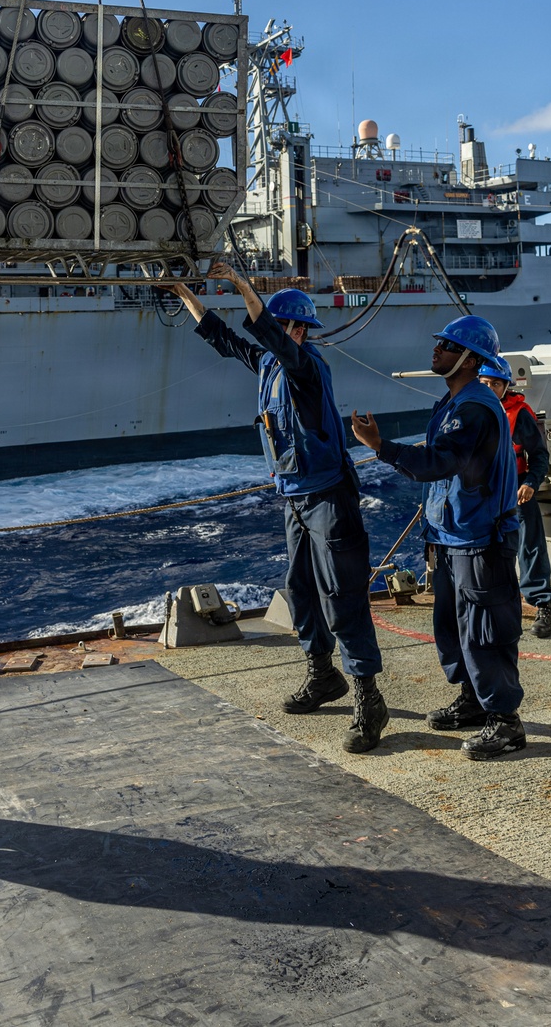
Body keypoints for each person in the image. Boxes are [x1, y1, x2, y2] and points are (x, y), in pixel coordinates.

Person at [169, 260, 388, 753]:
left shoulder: (308, 369)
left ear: (298, 331)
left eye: (288, 327)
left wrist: (243, 285)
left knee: (341, 595)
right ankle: (322, 674)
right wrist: (184, 292)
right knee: (301, 588)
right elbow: (222, 338)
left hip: (329, 497)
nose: (285, 334)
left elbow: (262, 329)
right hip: (293, 495)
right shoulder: (268, 365)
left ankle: (369, 700)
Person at [351, 315, 525, 761]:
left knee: (485, 630)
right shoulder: (450, 405)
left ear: (469, 359)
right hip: (451, 536)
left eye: (447, 345)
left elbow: (438, 462)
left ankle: (506, 723)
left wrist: (380, 447)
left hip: (480, 539)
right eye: (440, 343)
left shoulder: (473, 410)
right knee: (451, 627)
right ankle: (472, 700)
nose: (437, 349)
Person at [478, 355, 551, 638]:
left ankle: (542, 603)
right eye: (483, 382)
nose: (488, 388)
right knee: (483, 550)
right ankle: (490, 607)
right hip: (481, 491)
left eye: (495, 384)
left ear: (505, 386)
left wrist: (531, 483)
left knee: (529, 545)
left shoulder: (519, 413)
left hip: (515, 488)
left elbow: (538, 455)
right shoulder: (468, 409)